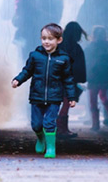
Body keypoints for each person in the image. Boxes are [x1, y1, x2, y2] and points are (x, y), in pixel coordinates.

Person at [12, 23, 76, 158]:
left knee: (49, 123)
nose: (46, 41)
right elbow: (27, 71)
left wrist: (71, 97)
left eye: (50, 39)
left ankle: (51, 147)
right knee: (36, 124)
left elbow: (68, 79)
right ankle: (40, 138)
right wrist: (18, 80)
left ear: (59, 40)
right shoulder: (35, 55)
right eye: (44, 38)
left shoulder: (64, 59)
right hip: (37, 95)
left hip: (54, 97)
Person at [57, 22, 87, 137]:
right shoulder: (75, 48)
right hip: (69, 80)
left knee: (59, 104)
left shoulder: (59, 46)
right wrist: (81, 78)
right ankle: (61, 129)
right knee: (66, 104)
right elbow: (79, 65)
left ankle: (61, 128)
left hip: (57, 79)